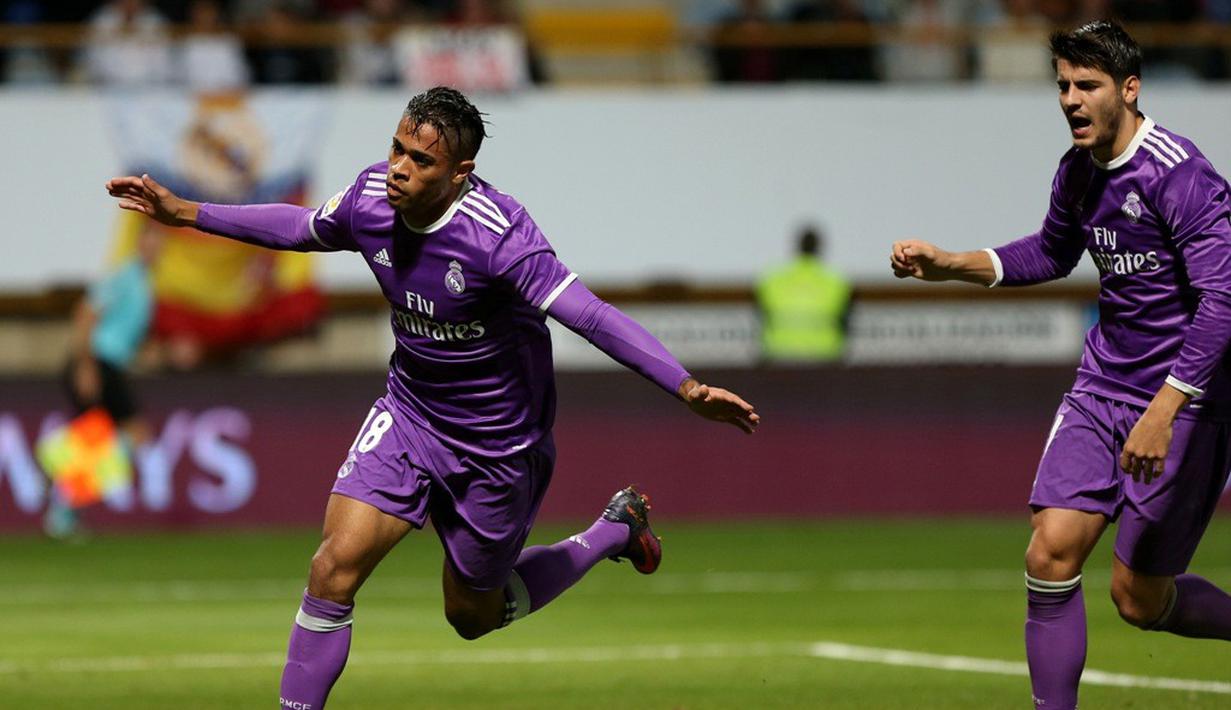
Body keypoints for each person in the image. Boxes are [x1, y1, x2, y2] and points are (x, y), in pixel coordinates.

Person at [105, 86, 759, 709]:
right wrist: (185, 211)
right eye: (396, 148)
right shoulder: (368, 197)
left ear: (458, 172)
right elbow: (300, 227)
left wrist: (685, 385)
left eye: (420, 160)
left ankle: (612, 531)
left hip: (498, 446)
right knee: (332, 568)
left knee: (471, 615)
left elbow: (587, 314)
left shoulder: (499, 236)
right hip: (410, 415)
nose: (399, 168)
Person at [890, 21, 1231, 710]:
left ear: (1128, 89)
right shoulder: (1077, 171)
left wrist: (1164, 412)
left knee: (1137, 599)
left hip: (1183, 399)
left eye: (1087, 85)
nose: (1071, 100)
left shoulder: (1179, 174)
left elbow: (1223, 299)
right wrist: (952, 263)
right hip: (1102, 385)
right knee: (1048, 552)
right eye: (1062, 87)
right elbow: (1050, 252)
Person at [48, 229, 162, 538]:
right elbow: (86, 313)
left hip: (110, 365)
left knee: (101, 439)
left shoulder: (146, 284)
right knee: (128, 435)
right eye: (149, 242)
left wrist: (148, 352)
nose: (155, 249)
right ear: (139, 244)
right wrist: (85, 365)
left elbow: (125, 332)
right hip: (98, 363)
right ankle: (62, 502)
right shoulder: (125, 276)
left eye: (159, 244)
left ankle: (66, 507)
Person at [756, 225, 852, 363]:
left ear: (797, 246)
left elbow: (761, 315)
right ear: (819, 247)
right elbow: (845, 320)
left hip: (778, 355)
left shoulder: (772, 279)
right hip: (825, 356)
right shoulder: (836, 281)